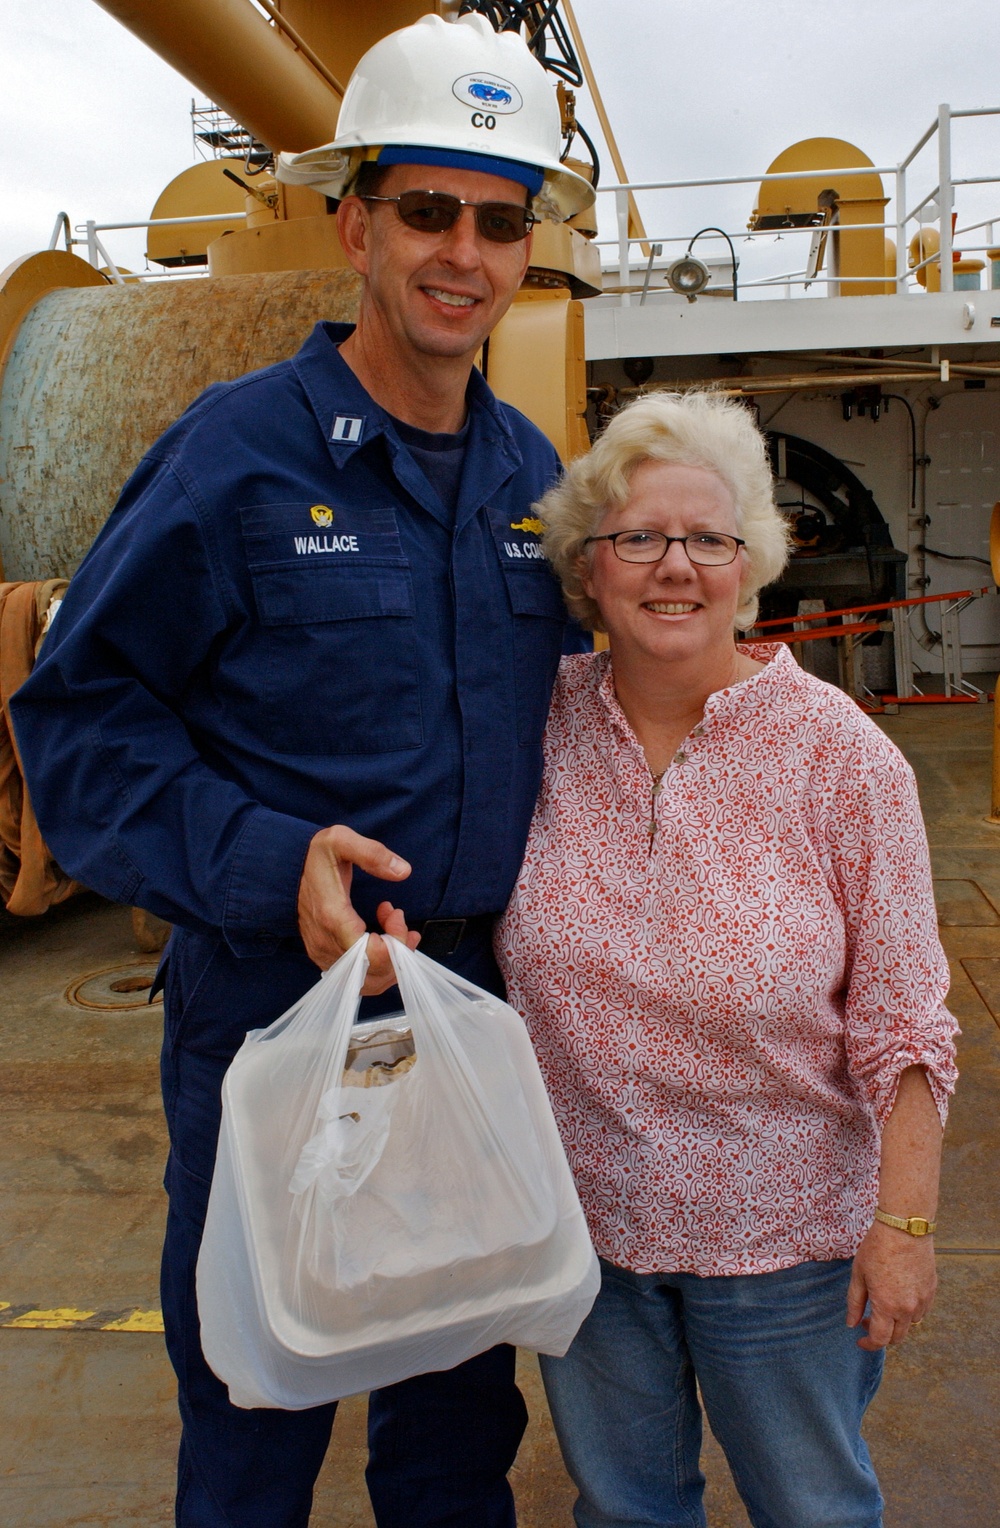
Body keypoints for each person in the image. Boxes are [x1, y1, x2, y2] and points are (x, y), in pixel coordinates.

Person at [10, 13, 594, 1528]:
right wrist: (275, 865)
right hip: (275, 1012)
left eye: (498, 219)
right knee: (260, 1402)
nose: (462, 252)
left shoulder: (538, 480)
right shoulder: (236, 458)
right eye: (425, 210)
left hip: (470, 1014)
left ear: (524, 247)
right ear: (353, 223)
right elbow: (81, 723)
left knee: (459, 1418)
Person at [495, 390, 958, 1528]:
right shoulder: (529, 726)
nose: (674, 566)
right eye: (639, 537)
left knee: (811, 1508)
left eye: (708, 539)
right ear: (586, 567)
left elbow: (905, 1019)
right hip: (588, 1235)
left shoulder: (839, 757)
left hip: (786, 1243)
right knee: (624, 1507)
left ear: (747, 567)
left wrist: (901, 1230)